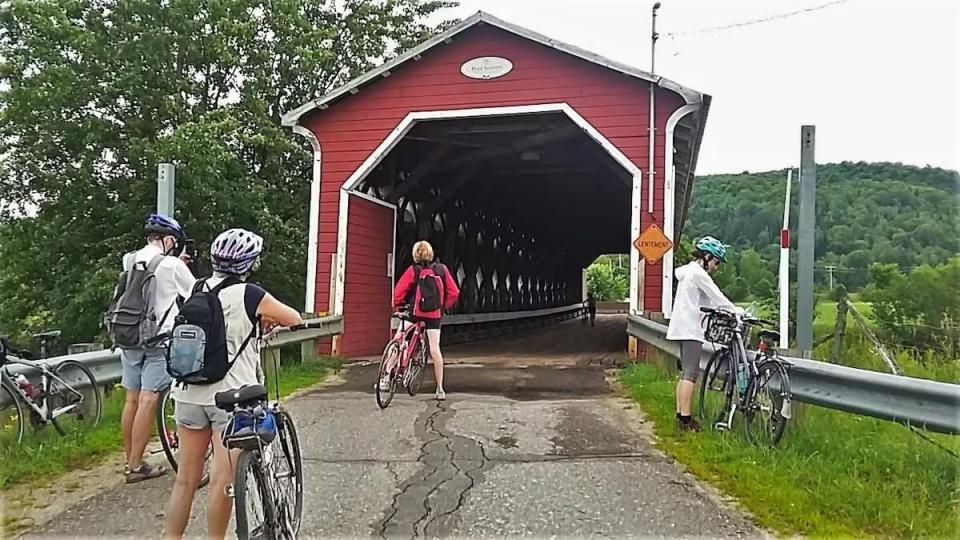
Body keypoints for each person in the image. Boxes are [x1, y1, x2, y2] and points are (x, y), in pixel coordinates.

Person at [165, 228, 303, 539]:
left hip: (187, 395)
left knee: (185, 480)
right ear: (249, 264)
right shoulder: (250, 294)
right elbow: (294, 318)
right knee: (222, 482)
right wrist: (265, 319)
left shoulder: (195, 289)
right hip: (232, 399)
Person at [120, 214, 195, 483]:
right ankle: (136, 466)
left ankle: (131, 461)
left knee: (132, 399)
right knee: (149, 398)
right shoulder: (172, 264)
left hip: (129, 336)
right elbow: (194, 293)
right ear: (167, 239)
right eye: (173, 242)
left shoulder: (129, 259)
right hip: (157, 340)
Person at [666, 236, 738, 432]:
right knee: (691, 374)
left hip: (681, 327)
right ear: (706, 257)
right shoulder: (699, 275)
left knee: (685, 374)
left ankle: (681, 415)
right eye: (716, 261)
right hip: (691, 329)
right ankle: (687, 420)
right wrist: (738, 313)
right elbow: (719, 299)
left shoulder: (688, 272)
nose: (716, 267)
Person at [389, 240, 460, 400]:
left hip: (415, 313)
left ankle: (385, 379)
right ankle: (440, 389)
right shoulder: (442, 269)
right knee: (435, 350)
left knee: (398, 338)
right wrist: (442, 307)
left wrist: (396, 307)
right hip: (434, 315)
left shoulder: (413, 270)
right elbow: (454, 292)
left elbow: (398, 292)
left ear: (415, 255)